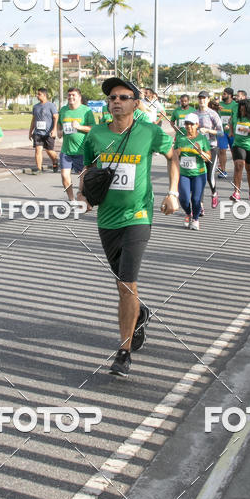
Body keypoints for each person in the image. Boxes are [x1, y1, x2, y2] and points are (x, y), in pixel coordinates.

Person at [78, 77, 179, 377]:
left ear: (136, 103)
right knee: (124, 285)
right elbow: (88, 165)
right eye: (112, 98)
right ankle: (141, 313)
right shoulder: (96, 134)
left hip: (138, 216)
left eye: (123, 96)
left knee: (126, 283)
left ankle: (123, 353)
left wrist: (172, 193)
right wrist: (83, 194)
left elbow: (173, 156)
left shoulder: (149, 131)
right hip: (106, 218)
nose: (116, 101)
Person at [173, 114, 211, 231]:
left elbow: (208, 158)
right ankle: (188, 213)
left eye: (191, 124)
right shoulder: (181, 137)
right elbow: (174, 154)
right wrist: (176, 152)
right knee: (183, 199)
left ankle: (195, 219)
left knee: (196, 199)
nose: (188, 127)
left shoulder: (202, 139)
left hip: (199, 173)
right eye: (186, 124)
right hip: (184, 173)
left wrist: (200, 152)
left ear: (197, 125)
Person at [57, 87, 95, 201]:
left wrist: (79, 127)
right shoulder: (63, 110)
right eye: (69, 95)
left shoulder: (86, 111)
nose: (70, 97)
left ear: (79, 97)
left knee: (83, 178)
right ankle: (71, 199)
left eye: (73, 95)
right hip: (66, 150)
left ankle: (82, 196)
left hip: (82, 151)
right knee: (64, 175)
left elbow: (93, 128)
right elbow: (59, 124)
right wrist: (59, 131)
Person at [195, 91, 223, 209]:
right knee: (199, 176)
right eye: (200, 98)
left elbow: (221, 132)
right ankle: (200, 205)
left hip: (211, 147)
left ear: (208, 100)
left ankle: (214, 193)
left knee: (209, 176)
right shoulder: (194, 114)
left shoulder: (213, 114)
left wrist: (207, 131)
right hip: (198, 149)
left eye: (204, 98)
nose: (202, 100)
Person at [29, 88, 58, 172]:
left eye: (39, 94)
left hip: (48, 133)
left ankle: (55, 161)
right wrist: (30, 131)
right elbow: (33, 120)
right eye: (37, 94)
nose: (37, 96)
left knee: (49, 151)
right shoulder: (35, 107)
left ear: (44, 95)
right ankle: (39, 168)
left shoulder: (51, 105)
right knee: (38, 150)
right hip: (38, 132)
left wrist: (54, 129)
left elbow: (56, 117)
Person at [218, 87, 238, 177]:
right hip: (221, 131)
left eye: (224, 94)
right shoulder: (219, 104)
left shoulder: (235, 105)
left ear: (230, 95)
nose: (223, 95)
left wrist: (229, 125)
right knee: (222, 150)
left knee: (234, 151)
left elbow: (235, 117)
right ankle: (223, 171)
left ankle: (237, 170)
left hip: (232, 131)